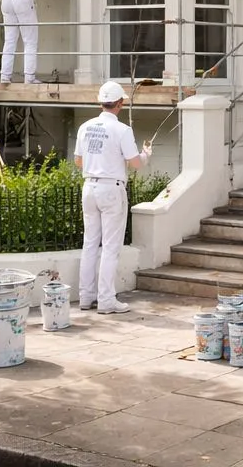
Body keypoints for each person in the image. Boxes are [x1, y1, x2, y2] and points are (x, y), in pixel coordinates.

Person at [73, 81, 151, 314]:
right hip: (111, 189)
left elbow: (78, 161)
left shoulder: (85, 127)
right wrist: (146, 154)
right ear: (120, 103)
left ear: (101, 102)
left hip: (89, 187)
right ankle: (106, 299)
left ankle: (86, 296)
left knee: (89, 243)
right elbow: (135, 163)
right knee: (110, 246)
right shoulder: (122, 130)